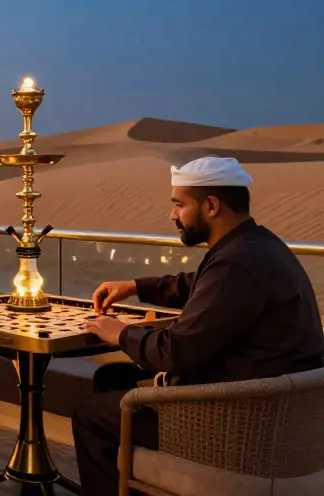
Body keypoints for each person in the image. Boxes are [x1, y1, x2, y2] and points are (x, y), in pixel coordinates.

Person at [75, 156, 324, 496]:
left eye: (179, 204)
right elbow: (198, 283)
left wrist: (118, 332)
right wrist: (135, 286)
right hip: (274, 417)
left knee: (90, 413)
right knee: (112, 378)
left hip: (235, 428)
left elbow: (174, 353)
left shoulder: (237, 262)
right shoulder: (259, 247)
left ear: (210, 205)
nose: (172, 215)